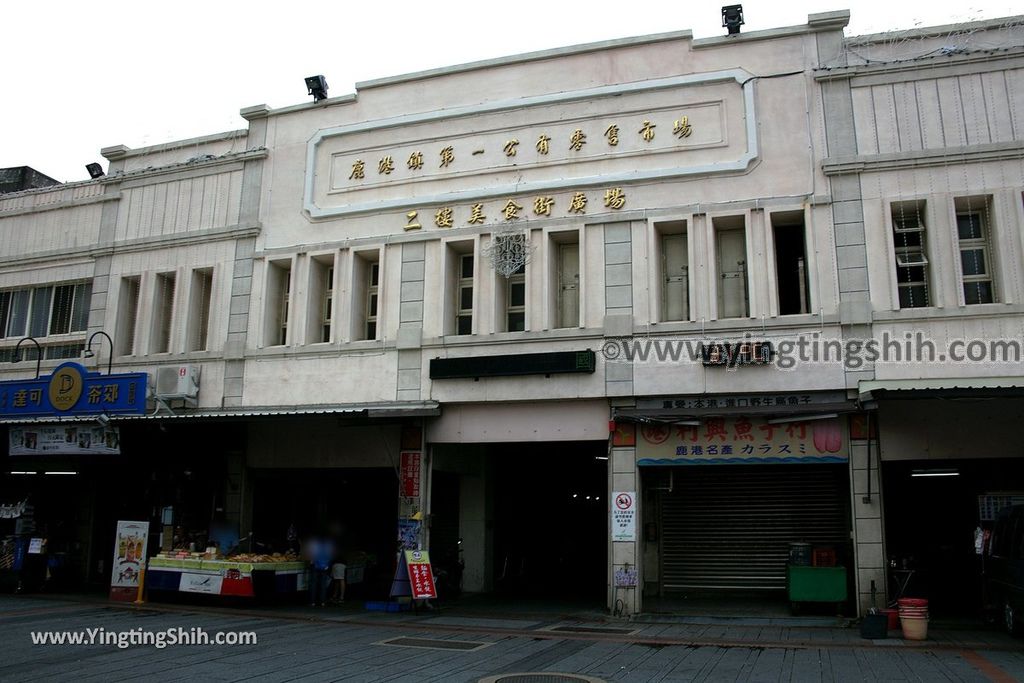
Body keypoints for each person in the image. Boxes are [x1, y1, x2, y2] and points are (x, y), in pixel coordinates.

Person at [304, 535, 334, 607]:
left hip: (314, 564)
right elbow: (330, 555)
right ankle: (322, 602)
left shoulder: (313, 542)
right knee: (323, 584)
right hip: (325, 565)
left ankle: (312, 602)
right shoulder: (329, 543)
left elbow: (309, 554)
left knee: (313, 583)